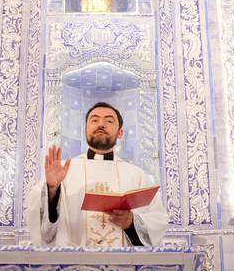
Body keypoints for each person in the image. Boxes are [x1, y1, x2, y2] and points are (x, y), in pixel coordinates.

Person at [28, 103, 168, 246]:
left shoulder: (135, 175)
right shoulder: (64, 171)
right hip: (76, 263)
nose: (101, 124)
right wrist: (52, 189)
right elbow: (40, 224)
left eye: (109, 120)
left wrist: (131, 222)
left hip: (123, 264)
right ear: (85, 130)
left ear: (120, 132)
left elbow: (156, 219)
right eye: (94, 120)